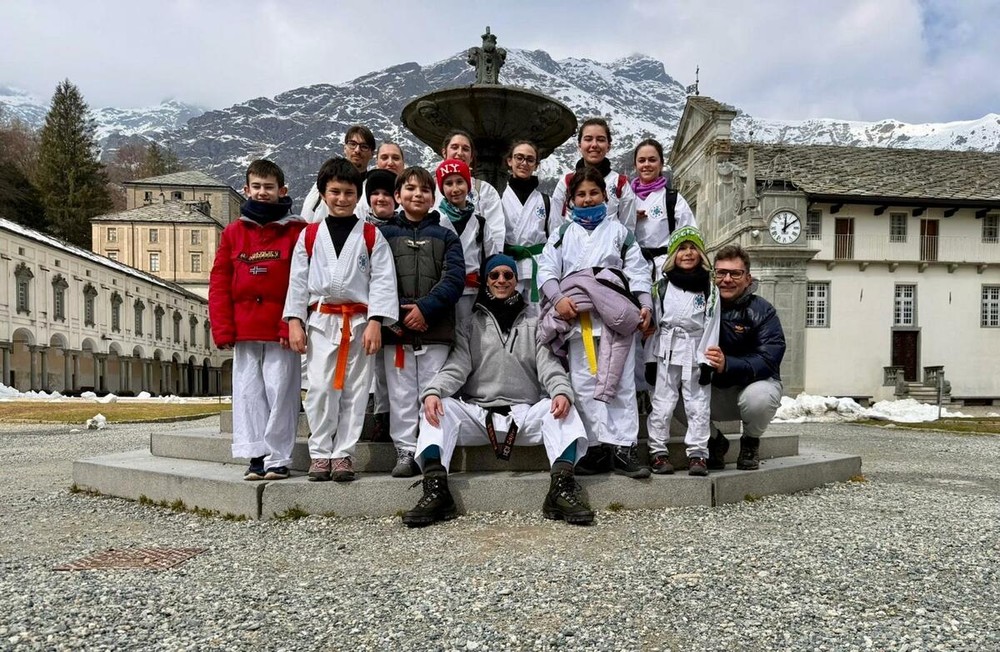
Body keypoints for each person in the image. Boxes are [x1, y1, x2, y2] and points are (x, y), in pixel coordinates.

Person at [402, 254, 592, 527]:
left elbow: (548, 364)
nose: (501, 280)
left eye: (507, 275)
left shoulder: (535, 321)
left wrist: (562, 391)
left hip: (523, 415)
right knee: (436, 408)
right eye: (495, 275)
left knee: (564, 410)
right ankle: (436, 490)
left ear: (516, 280)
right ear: (486, 281)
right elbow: (456, 367)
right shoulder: (469, 324)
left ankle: (561, 489)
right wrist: (433, 391)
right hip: (478, 414)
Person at [283, 158, 398, 482]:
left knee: (356, 391)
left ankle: (343, 454)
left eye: (349, 192)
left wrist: (376, 320)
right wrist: (295, 320)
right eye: (335, 192)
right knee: (319, 388)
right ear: (323, 193)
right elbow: (297, 281)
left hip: (359, 322)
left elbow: (383, 281)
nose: (342, 198)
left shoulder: (372, 235)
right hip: (322, 320)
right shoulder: (309, 235)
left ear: (357, 194)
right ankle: (320, 453)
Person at [537, 167, 653, 479]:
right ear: (571, 200)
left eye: (593, 193)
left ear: (605, 195)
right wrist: (558, 298)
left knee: (622, 383)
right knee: (585, 383)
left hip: (616, 317)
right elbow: (546, 270)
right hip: (580, 320)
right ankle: (594, 447)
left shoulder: (620, 233)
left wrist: (645, 303)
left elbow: (639, 271)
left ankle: (624, 447)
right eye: (581, 195)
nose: (588, 200)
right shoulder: (563, 234)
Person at [209, 159, 305, 481]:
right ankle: (256, 454)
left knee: (282, 391)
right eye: (257, 187)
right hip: (245, 328)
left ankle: (278, 457)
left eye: (270, 187)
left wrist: (291, 321)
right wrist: (223, 327)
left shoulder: (297, 230)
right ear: (246, 189)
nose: (263, 193)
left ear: (282, 191)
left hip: (281, 328)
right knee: (249, 392)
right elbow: (220, 281)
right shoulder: (234, 233)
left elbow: (301, 280)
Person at [379, 166, 466, 477]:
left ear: (433, 198)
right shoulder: (383, 235)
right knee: (401, 394)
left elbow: (454, 279)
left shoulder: (446, 236)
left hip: (434, 329)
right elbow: (376, 279)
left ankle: (432, 450)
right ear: (398, 195)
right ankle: (404, 450)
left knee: (433, 392)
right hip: (396, 330)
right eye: (411, 189)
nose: (418, 194)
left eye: (425, 190)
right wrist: (397, 315)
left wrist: (425, 309)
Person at [704, 244, 786, 471]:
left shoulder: (763, 310)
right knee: (667, 389)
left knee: (760, 397)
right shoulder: (701, 305)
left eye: (735, 273)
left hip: (750, 388)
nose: (727, 279)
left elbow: (769, 359)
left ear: (748, 278)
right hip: (714, 389)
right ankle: (714, 441)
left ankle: (750, 442)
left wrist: (727, 364)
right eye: (721, 273)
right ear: (713, 276)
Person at [646, 226, 720, 476]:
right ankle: (657, 451)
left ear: (700, 253)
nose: (687, 253)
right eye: (682, 248)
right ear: (673, 254)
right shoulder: (662, 286)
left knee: (698, 404)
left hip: (696, 349)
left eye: (692, 248)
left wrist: (709, 361)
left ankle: (698, 454)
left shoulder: (710, 287)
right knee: (663, 403)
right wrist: (649, 359)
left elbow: (713, 323)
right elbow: (655, 324)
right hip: (666, 349)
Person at [631, 137, 698, 396]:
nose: (646, 164)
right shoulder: (625, 198)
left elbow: (689, 236)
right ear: (635, 164)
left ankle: (657, 389)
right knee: (635, 326)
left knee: (661, 326)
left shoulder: (673, 199)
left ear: (661, 164)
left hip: (664, 268)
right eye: (641, 160)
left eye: (652, 159)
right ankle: (637, 390)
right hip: (634, 268)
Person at [361, 167, 400, 441]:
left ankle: (390, 418)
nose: (381, 198)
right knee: (370, 368)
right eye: (375, 193)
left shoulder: (403, 229)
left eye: (387, 193)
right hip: (364, 309)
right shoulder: (360, 230)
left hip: (396, 309)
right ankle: (376, 414)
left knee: (392, 370)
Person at [439, 130, 504, 289]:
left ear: (472, 156)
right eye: (454, 147)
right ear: (444, 151)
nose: (459, 152)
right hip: (437, 281)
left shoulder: (485, 191)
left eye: (465, 149)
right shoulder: (428, 189)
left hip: (474, 282)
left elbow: (496, 237)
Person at [435, 158, 497, 320]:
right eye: (448, 184)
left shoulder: (480, 223)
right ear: (442, 188)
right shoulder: (435, 220)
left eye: (460, 182)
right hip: (442, 291)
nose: (455, 189)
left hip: (473, 293)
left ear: (468, 184)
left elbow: (491, 258)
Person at [500, 140, 558, 313]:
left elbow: (556, 239)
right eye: (519, 157)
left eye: (530, 159)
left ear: (536, 165)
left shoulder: (547, 201)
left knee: (538, 319)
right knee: (510, 318)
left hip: (538, 268)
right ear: (510, 161)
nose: (524, 163)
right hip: (509, 268)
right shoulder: (498, 199)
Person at [550, 118, 636, 230]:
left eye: (600, 139)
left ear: (608, 146)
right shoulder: (567, 182)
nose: (594, 144)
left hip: (610, 246)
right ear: (579, 145)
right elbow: (556, 227)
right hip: (573, 246)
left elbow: (628, 229)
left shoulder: (620, 183)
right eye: (588, 139)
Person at [300, 125, 376, 222]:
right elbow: (307, 219)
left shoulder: (374, 188)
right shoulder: (325, 182)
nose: (357, 150)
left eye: (364, 147)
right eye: (352, 144)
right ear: (345, 148)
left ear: (372, 154)